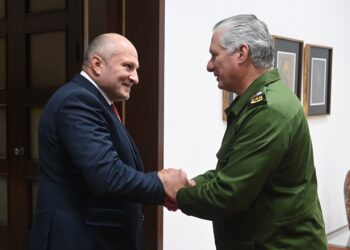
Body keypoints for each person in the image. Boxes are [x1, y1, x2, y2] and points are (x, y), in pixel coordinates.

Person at [171, 14, 328, 249]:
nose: (209, 65)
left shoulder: (269, 109)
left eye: (215, 55)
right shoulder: (257, 103)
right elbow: (229, 171)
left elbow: (228, 194)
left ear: (242, 53)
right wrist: (189, 184)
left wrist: (177, 194)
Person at [30, 33, 188, 250]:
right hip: (77, 239)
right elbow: (107, 175)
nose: (135, 78)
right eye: (128, 67)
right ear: (97, 64)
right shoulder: (77, 101)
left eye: (136, 69)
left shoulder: (95, 102)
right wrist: (161, 185)